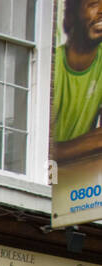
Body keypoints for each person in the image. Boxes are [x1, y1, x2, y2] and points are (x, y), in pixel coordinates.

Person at [54, 0, 102, 162]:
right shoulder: (53, 64)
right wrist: (84, 144)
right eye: (94, 4)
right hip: (46, 174)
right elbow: (34, 150)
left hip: (77, 176)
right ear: (70, 16)